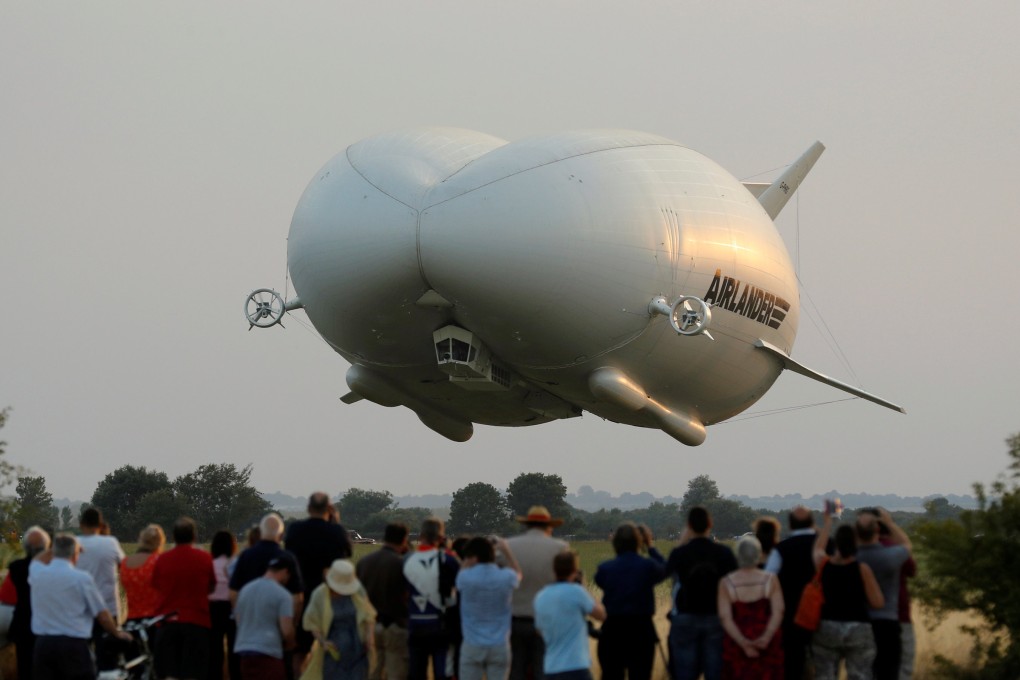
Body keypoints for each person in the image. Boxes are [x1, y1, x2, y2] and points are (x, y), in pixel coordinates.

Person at [29, 533, 133, 679]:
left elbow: (37, 560)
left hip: (43, 645)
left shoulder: (38, 572)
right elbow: (102, 615)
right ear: (75, 554)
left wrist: (56, 548)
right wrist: (116, 633)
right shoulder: (82, 579)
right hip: (72, 646)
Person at [666, 505, 738, 680]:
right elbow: (734, 584)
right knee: (715, 672)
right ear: (710, 524)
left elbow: (666, 572)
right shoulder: (724, 553)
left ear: (689, 526)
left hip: (685, 615)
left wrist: (682, 542)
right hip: (715, 616)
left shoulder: (679, 553)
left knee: (684, 673)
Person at [285, 492, 354, 675]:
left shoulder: (295, 529)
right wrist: (335, 521)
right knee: (334, 649)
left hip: (301, 595)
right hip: (330, 597)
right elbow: (348, 552)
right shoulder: (336, 531)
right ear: (328, 509)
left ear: (308, 508)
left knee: (299, 652)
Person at [811, 512, 884, 680]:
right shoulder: (862, 569)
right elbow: (878, 602)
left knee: (825, 675)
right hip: (857, 628)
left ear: (836, 542)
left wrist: (827, 524)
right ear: (855, 543)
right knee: (860, 675)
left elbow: (817, 550)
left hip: (827, 626)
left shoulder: (824, 565)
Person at [593, 522, 667, 680]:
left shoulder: (605, 569)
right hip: (641, 630)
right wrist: (650, 547)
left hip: (612, 631)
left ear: (615, 543)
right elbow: (665, 568)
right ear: (638, 543)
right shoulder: (647, 566)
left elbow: (599, 581)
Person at [505, 506, 569, 680]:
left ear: (527, 525)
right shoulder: (560, 548)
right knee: (543, 668)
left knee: (516, 669)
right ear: (549, 526)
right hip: (547, 621)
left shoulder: (510, 546)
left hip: (516, 619)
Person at [765, 506, 826, 680]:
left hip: (791, 614)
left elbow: (768, 581)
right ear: (812, 523)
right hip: (823, 613)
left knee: (792, 663)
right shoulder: (829, 544)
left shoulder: (781, 549)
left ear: (790, 525)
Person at [152, 516, 217, 680]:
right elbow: (212, 586)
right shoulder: (205, 558)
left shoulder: (162, 559)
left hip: (168, 622)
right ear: (194, 536)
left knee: (169, 674)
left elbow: (156, 585)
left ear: (173, 536)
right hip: (196, 623)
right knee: (193, 673)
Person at [855, 509, 912, 680]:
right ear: (877, 529)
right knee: (888, 672)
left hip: (861, 622)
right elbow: (907, 545)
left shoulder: (854, 558)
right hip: (888, 622)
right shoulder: (890, 556)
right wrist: (889, 522)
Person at [455, 536, 522, 680]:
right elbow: (518, 574)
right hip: (499, 644)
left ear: (473, 557)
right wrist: (506, 550)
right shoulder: (506, 576)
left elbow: (460, 574)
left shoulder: (465, 577)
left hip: (472, 644)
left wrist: (467, 558)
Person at [718, 536, 784, 679]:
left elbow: (725, 617)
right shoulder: (770, 579)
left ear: (738, 556)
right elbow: (778, 611)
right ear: (759, 555)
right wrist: (766, 638)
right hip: (765, 639)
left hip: (737, 640)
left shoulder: (726, 582)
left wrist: (743, 643)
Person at [533, 550, 606, 680]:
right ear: (574, 570)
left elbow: (539, 630)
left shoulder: (541, 596)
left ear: (554, 570)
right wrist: (584, 588)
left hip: (551, 668)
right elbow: (601, 615)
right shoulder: (577, 592)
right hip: (576, 666)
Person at [301, 559, 377, 680]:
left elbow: (369, 615)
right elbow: (312, 621)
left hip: (358, 648)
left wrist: (369, 637)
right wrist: (323, 641)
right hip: (334, 649)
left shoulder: (358, 591)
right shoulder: (320, 594)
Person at [404, 517, 459, 680]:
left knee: (416, 672)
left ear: (421, 536)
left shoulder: (407, 560)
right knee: (442, 672)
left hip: (414, 623)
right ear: (441, 538)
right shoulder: (448, 560)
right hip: (440, 624)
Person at [356, 523, 411, 680]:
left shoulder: (364, 562)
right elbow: (407, 595)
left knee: (373, 671)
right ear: (404, 540)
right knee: (396, 672)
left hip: (370, 626)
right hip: (395, 625)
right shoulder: (401, 564)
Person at [77, 507, 126, 670]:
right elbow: (124, 566)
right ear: (100, 525)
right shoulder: (111, 542)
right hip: (109, 609)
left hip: (81, 610)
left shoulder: (74, 544)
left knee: (80, 661)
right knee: (108, 662)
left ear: (81, 524)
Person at [234, 555, 299, 680]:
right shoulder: (283, 595)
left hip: (244, 652)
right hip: (268, 653)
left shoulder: (245, 590)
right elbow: (287, 630)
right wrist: (291, 643)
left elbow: (238, 619)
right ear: (286, 572)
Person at [7, 526, 50, 680]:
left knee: (25, 668)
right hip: (47, 625)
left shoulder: (15, 568)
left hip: (23, 625)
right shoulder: (50, 568)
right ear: (46, 547)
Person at [121, 524, 166, 622]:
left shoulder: (125, 563)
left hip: (131, 620)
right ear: (160, 542)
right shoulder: (159, 561)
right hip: (155, 621)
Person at [209, 530, 238, 680]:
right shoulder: (235, 564)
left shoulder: (210, 563)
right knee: (233, 647)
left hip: (213, 607)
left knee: (215, 648)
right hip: (232, 606)